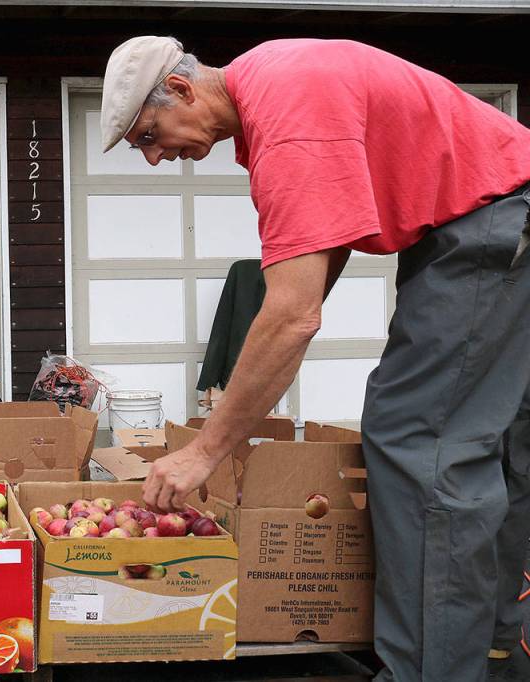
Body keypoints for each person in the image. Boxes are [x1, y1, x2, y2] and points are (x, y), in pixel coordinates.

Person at [100, 35, 530, 681]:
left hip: (488, 229)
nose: (157, 158)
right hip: (503, 220)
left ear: (184, 90)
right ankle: (496, 655)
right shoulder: (283, 77)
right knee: (493, 444)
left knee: (421, 440)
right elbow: (312, 274)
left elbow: (295, 315)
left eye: (148, 136)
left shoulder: (288, 113)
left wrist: (204, 450)